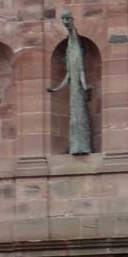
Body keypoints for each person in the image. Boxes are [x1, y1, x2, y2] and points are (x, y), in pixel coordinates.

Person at [47, 10, 92, 155]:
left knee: (79, 117)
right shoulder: (70, 65)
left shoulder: (76, 57)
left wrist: (85, 87)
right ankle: (76, 146)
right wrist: (54, 89)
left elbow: (81, 73)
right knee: (75, 118)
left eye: (67, 19)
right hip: (75, 94)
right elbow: (67, 78)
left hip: (78, 93)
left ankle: (81, 146)